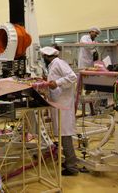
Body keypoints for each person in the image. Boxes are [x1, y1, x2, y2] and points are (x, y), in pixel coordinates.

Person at [40, 46, 79, 176]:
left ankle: (72, 167)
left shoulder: (58, 63)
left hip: (64, 105)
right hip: (59, 104)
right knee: (63, 135)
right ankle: (69, 161)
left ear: (46, 56)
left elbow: (72, 77)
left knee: (65, 135)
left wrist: (57, 82)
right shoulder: (53, 65)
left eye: (43, 57)